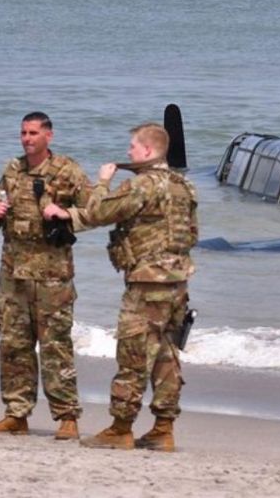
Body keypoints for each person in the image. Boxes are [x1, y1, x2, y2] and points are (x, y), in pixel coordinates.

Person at [44, 122, 197, 451]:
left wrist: (102, 181)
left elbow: (100, 212)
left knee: (133, 354)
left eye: (132, 147)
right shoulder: (184, 187)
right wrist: (68, 215)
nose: (128, 151)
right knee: (167, 357)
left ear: (146, 151)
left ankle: (121, 427)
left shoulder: (141, 185)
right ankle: (164, 428)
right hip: (178, 281)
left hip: (146, 283)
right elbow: (192, 233)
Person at [0, 112, 90, 440]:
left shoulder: (67, 171)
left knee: (55, 345)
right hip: (14, 274)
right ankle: (17, 414)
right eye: (23, 133)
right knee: (13, 345)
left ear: (48, 136)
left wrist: (65, 213)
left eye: (33, 133)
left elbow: (95, 209)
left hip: (52, 276)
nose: (27, 139)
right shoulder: (12, 169)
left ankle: (67, 416)